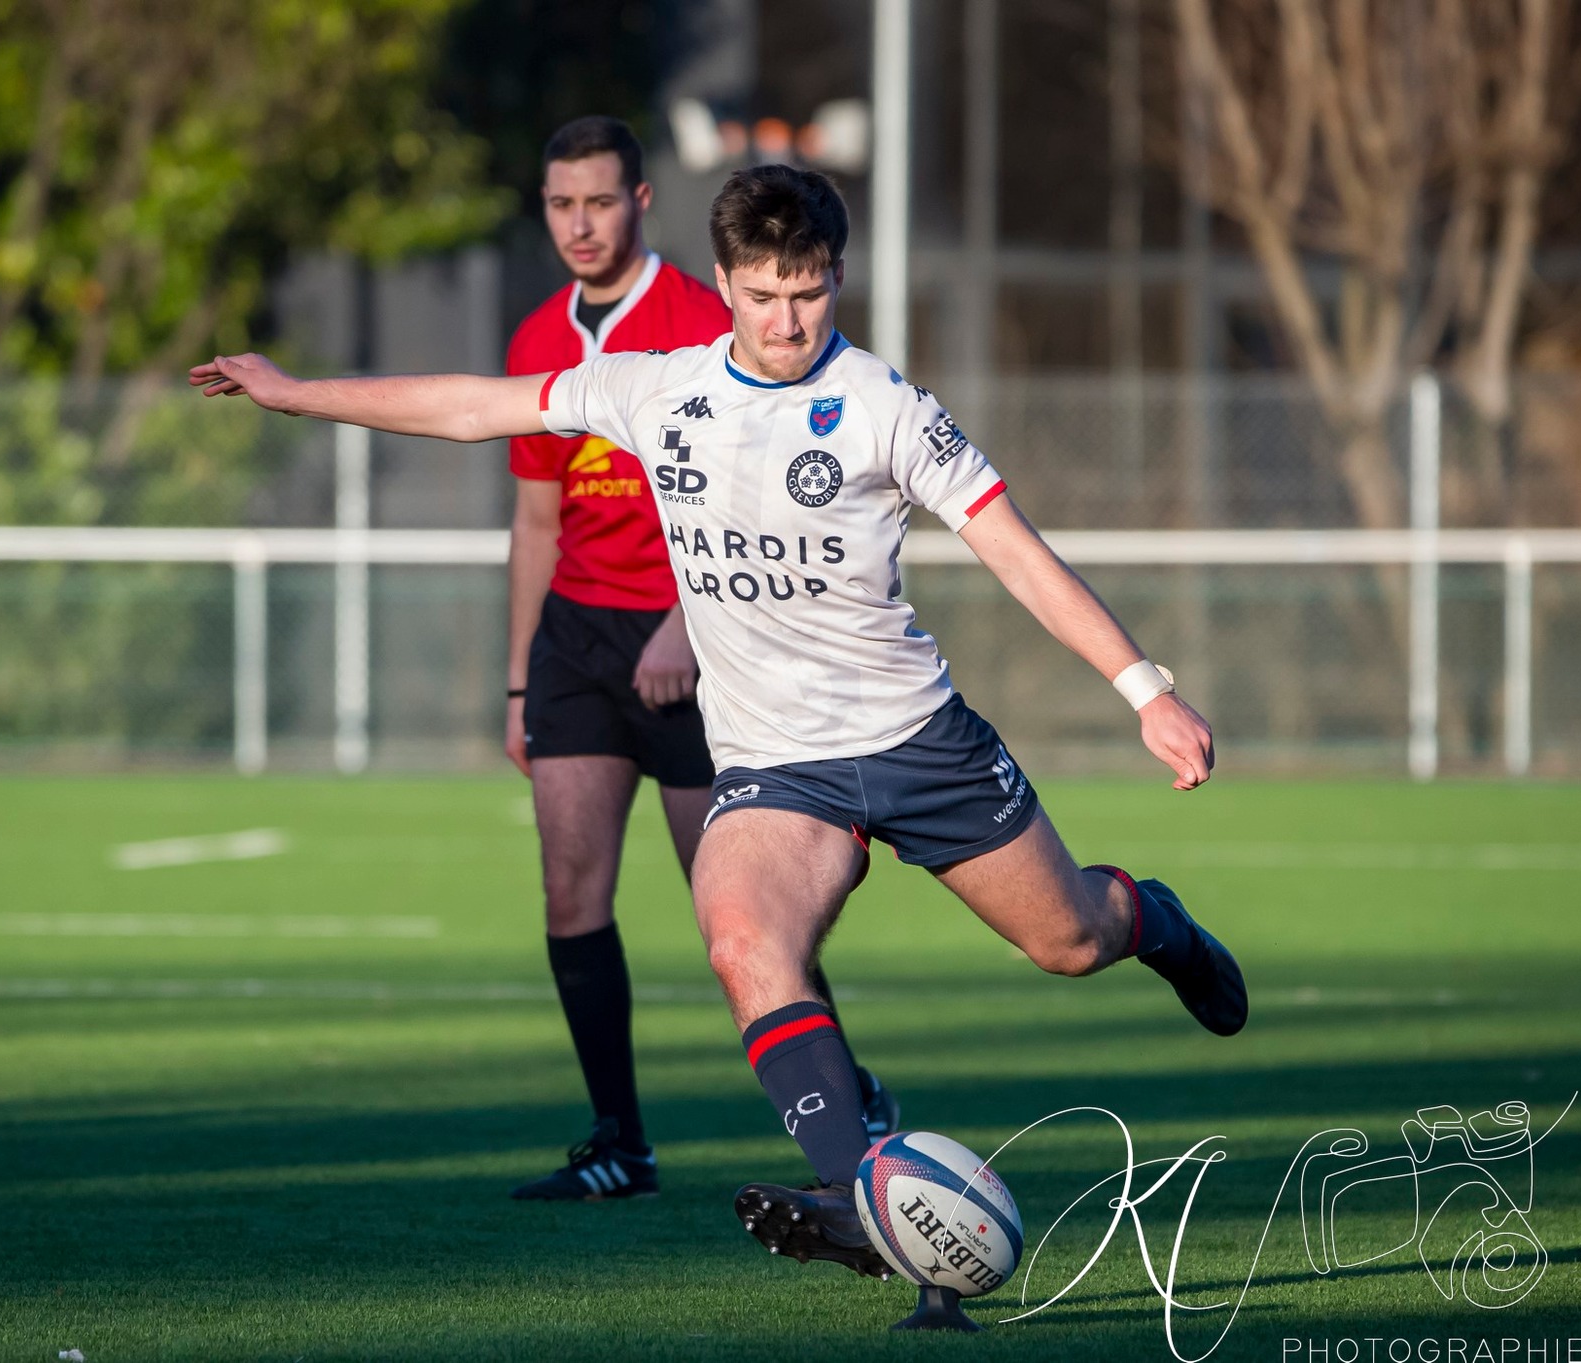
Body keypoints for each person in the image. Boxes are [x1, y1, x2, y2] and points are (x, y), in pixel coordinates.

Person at [190, 164, 1245, 1274]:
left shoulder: (886, 408)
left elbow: (1018, 555)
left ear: (835, 277)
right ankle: (860, 1198)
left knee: (1069, 941)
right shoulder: (654, 389)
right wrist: (294, 389)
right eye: (761, 293)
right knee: (741, 940)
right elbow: (469, 405)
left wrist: (1144, 688)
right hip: (773, 769)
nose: (787, 320)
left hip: (915, 743)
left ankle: (1155, 920)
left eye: (808, 291)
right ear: (725, 283)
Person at [502, 117, 898, 1202]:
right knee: (568, 887)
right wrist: (518, 677)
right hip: (577, 642)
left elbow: (757, 492)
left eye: (597, 201)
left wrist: (684, 623)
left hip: (695, 640)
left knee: (743, 907)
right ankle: (618, 1141)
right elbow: (535, 522)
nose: (577, 223)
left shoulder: (702, 317)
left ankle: (850, 1111)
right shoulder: (535, 333)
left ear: (639, 203)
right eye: (557, 203)